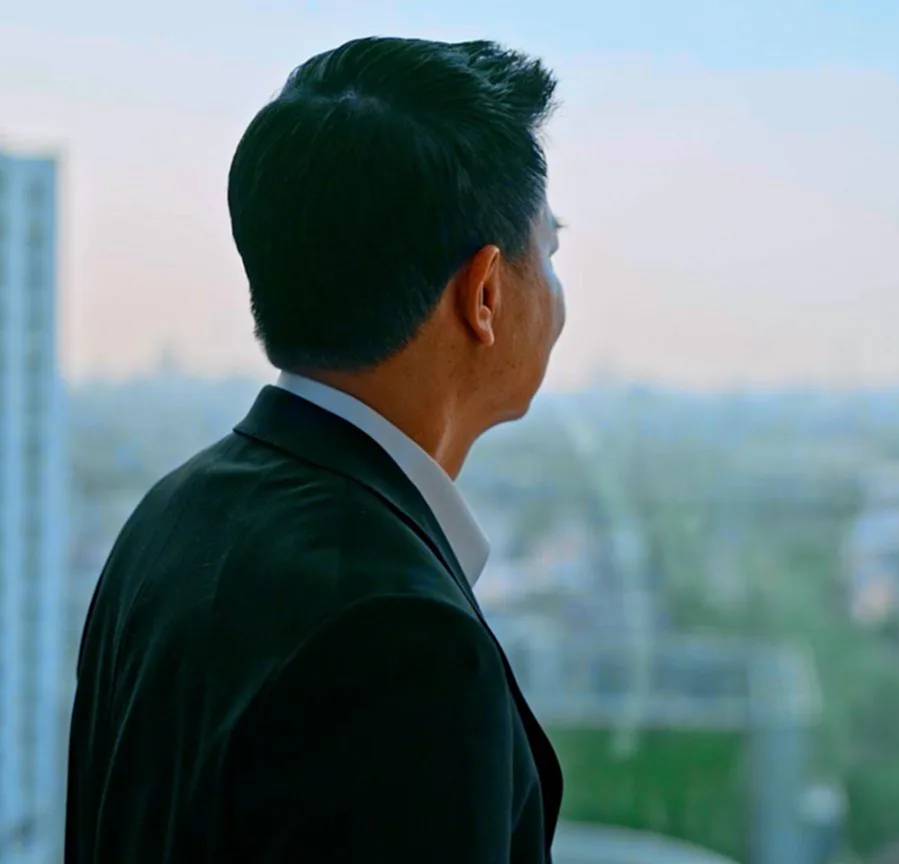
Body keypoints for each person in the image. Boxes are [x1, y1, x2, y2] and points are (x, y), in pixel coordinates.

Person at [65, 36, 565, 863]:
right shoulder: (407, 645)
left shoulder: (173, 517)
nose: (555, 289)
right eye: (548, 249)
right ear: (484, 294)